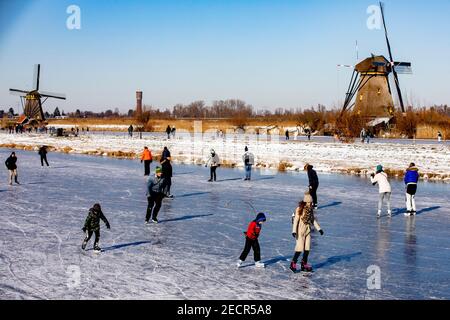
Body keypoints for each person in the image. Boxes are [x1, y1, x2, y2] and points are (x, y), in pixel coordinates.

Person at [290, 192, 324, 273]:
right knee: (300, 247)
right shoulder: (299, 209)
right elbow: (296, 220)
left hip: (307, 230)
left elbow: (312, 220)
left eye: (310, 202)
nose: (309, 203)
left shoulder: (310, 210)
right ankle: (293, 263)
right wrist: (294, 231)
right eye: (308, 202)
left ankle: (304, 264)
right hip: (300, 230)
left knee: (307, 247)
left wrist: (319, 229)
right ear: (305, 201)